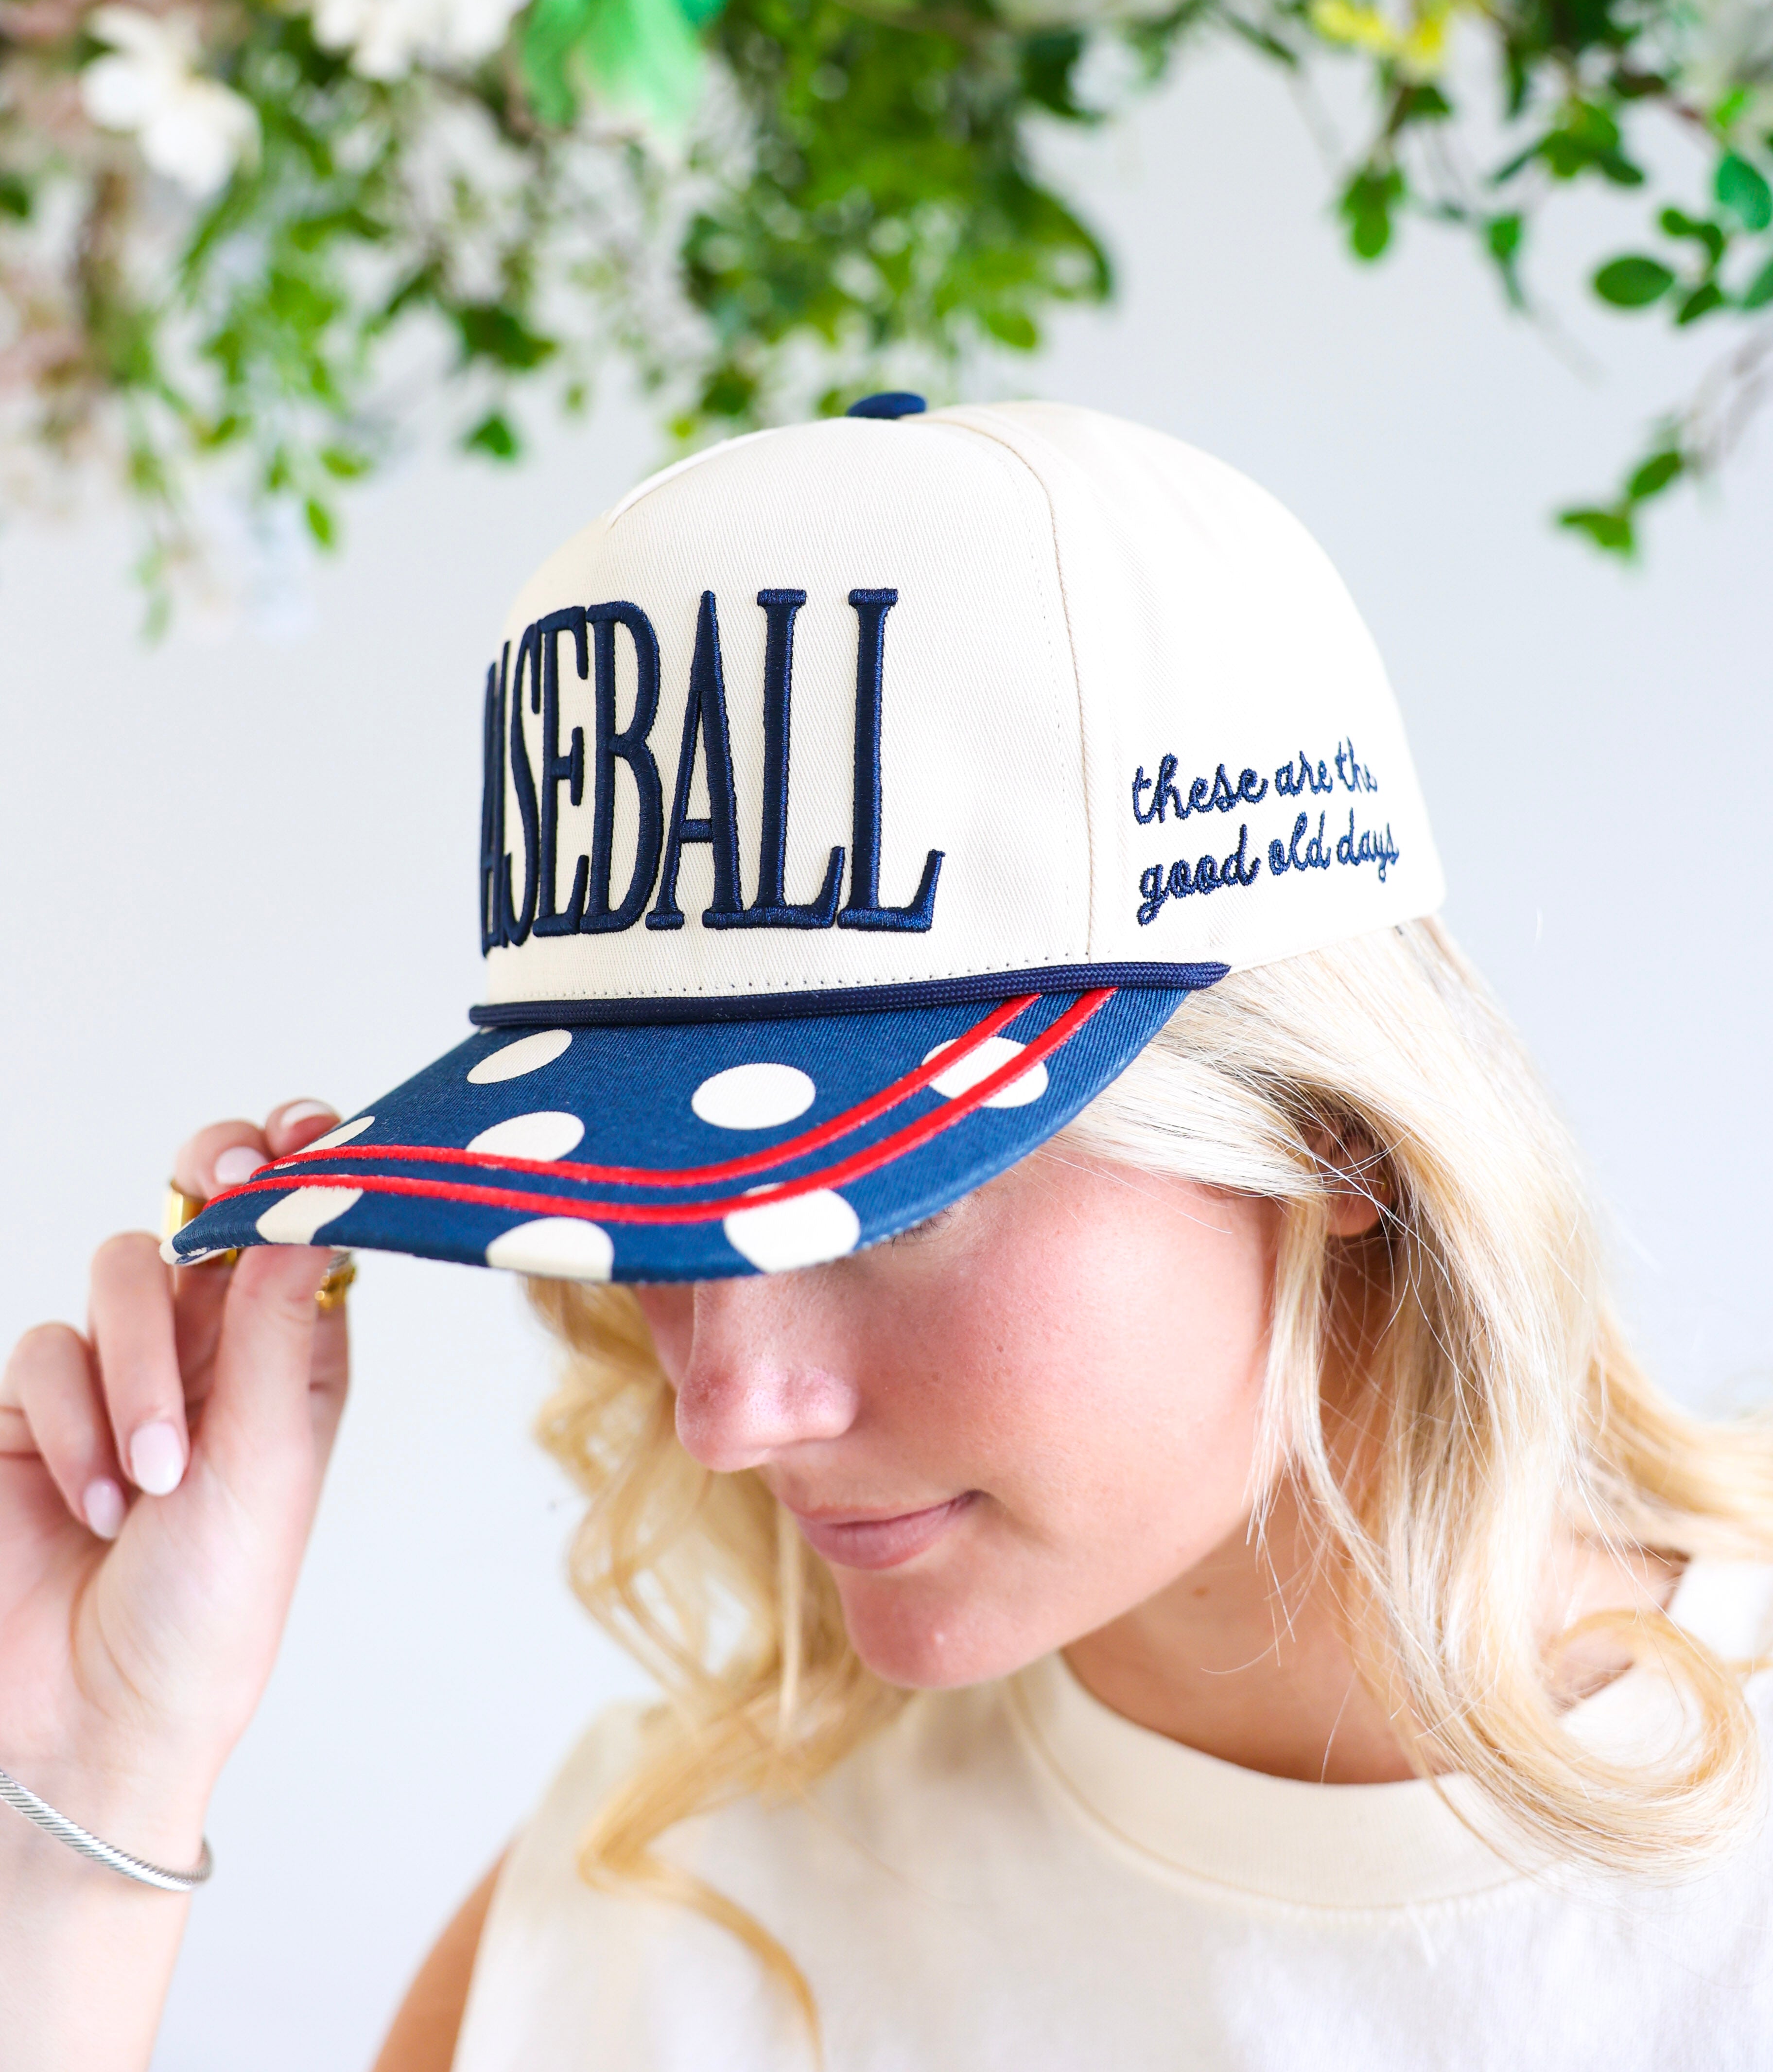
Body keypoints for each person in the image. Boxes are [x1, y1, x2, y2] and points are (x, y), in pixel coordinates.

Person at [3, 398, 1771, 2072]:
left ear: (1335, 1142)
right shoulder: (660, 1913)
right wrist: (87, 1795)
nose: (723, 1414)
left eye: (890, 1207)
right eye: (653, 1205)